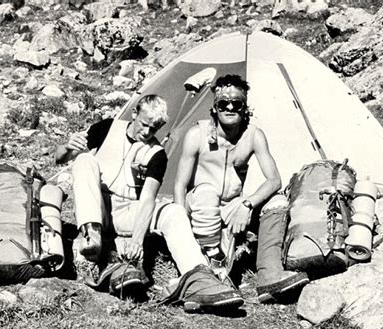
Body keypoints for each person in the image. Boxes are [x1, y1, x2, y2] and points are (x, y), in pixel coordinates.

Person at [55, 94, 244, 312]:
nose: (146, 133)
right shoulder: (107, 128)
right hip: (99, 208)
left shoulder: (157, 154)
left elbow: (147, 199)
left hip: (128, 212)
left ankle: (197, 276)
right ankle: (92, 236)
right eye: (144, 125)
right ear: (134, 114)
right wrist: (68, 147)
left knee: (173, 211)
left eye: (153, 129)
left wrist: (137, 239)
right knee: (84, 159)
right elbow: (59, 159)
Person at [174, 75, 309, 303]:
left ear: (245, 107)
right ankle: (214, 265)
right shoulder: (196, 135)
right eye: (222, 103)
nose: (229, 107)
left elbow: (274, 179)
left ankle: (269, 274)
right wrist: (180, 225)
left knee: (277, 201)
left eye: (236, 103)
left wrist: (247, 204)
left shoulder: (253, 135)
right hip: (201, 206)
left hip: (233, 205)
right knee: (206, 191)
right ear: (214, 108)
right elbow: (179, 184)